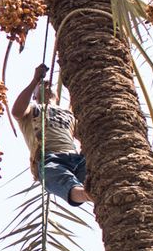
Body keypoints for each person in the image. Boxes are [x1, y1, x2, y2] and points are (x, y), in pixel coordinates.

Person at [11, 64, 93, 206]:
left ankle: (96, 192)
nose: (46, 84)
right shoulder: (32, 109)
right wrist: (35, 80)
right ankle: (87, 194)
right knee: (51, 175)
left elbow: (87, 134)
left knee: (100, 169)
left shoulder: (69, 113)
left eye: (49, 84)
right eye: (41, 86)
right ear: (35, 95)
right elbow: (16, 111)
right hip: (50, 158)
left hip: (77, 159)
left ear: (57, 94)